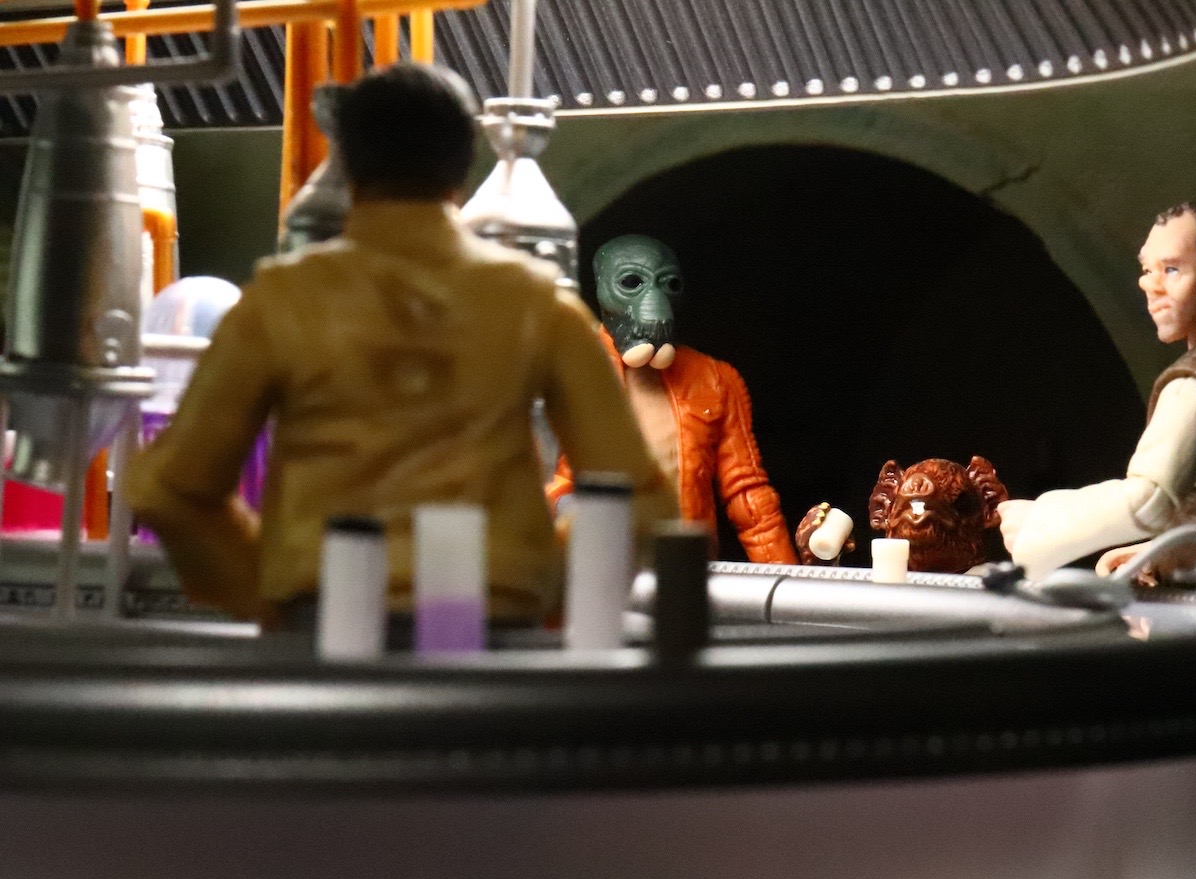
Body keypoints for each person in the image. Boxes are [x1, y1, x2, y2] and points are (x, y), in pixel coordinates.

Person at [125, 63, 675, 628]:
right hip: (485, 619)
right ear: (464, 162)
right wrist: (546, 587)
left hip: (324, 616)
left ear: (348, 161)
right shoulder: (536, 303)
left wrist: (266, 593)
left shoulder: (280, 300)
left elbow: (170, 490)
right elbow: (639, 497)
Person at [998, 202, 1196, 579]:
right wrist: (1158, 553)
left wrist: (1038, 520)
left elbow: (1147, 501)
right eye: (1147, 270)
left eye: (1171, 269)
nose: (1149, 285)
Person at [546, 235, 797, 565]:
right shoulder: (568, 368)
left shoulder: (715, 379)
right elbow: (545, 483)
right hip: (597, 568)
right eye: (631, 282)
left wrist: (787, 580)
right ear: (601, 287)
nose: (655, 301)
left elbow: (748, 495)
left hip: (684, 567)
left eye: (669, 284)